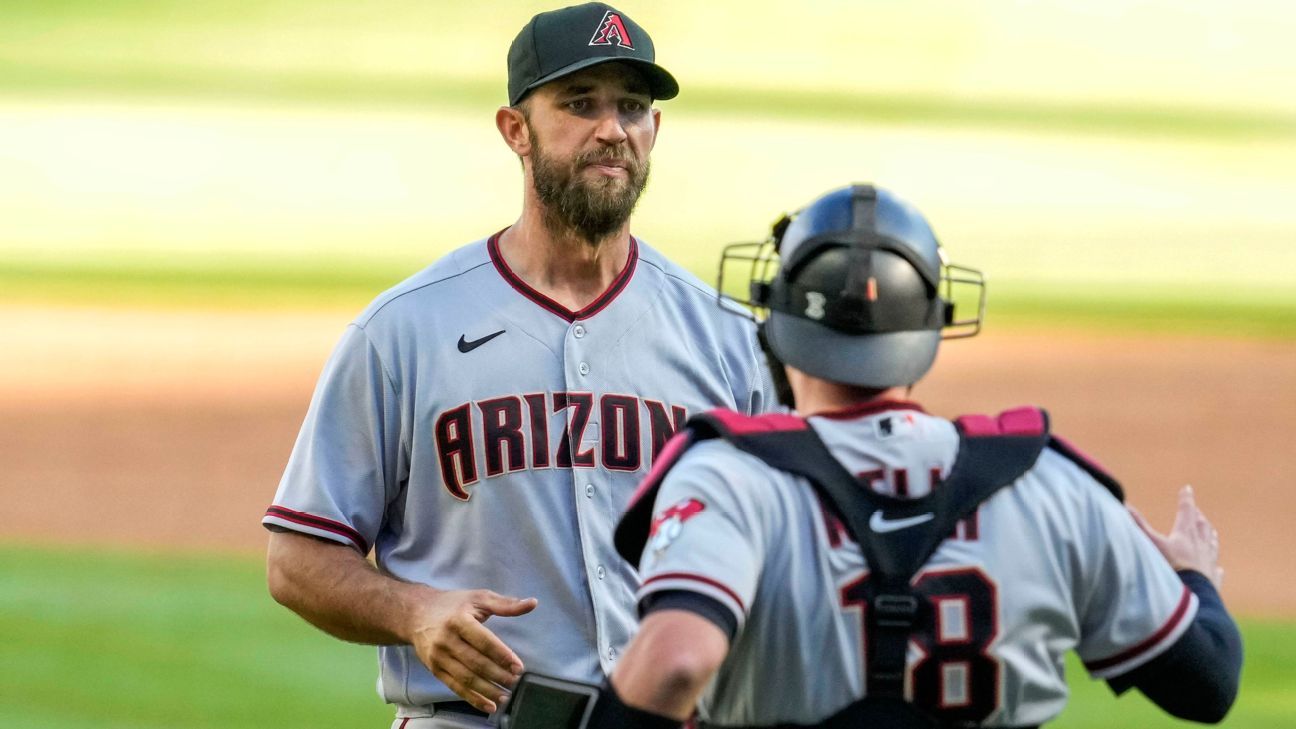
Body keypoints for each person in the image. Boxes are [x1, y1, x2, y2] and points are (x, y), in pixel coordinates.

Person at [260, 4, 771, 728]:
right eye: (579, 104)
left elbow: (792, 552)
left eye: (633, 106)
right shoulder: (405, 329)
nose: (612, 130)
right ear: (514, 130)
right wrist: (413, 611)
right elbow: (297, 557)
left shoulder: (725, 337)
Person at [584, 184, 1242, 728]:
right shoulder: (1052, 483)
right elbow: (1207, 679)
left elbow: (676, 661)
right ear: (932, 324)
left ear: (778, 320)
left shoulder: (731, 478)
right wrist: (1195, 579)